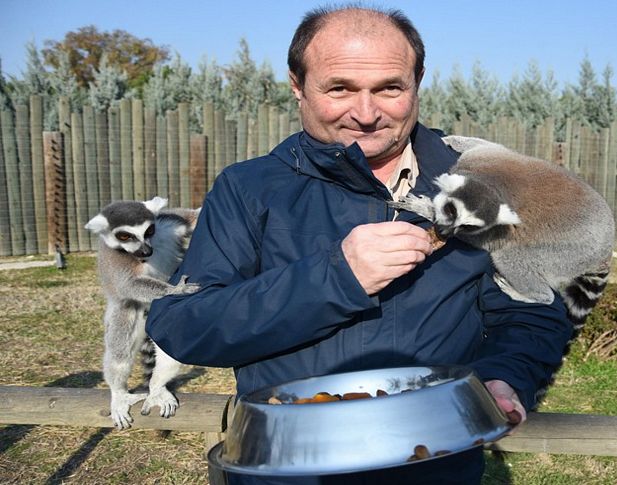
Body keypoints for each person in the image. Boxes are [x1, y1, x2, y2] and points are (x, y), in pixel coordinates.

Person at [146, 5, 573, 484]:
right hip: (286, 467)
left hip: (435, 463)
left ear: (417, 82)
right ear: (297, 85)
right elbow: (183, 324)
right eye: (340, 88)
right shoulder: (250, 188)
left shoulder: (477, 187)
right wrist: (336, 277)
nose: (366, 114)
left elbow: (530, 308)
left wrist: (506, 375)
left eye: (389, 88)